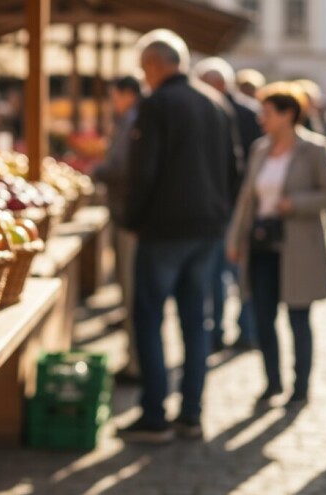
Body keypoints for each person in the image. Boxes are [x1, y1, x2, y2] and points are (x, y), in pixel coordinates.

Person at [117, 29, 240, 443]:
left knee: (149, 318)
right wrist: (219, 215)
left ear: (155, 64)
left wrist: (132, 220)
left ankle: (154, 414)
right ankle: (190, 414)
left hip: (164, 230)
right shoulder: (215, 101)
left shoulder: (157, 104)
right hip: (206, 229)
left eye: (144, 68)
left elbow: (143, 171)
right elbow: (234, 169)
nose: (144, 76)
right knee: (195, 321)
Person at [227, 82, 326, 407]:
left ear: (288, 114)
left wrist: (296, 203)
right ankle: (272, 382)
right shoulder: (260, 149)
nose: (261, 118)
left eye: (267, 112)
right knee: (263, 318)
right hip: (261, 245)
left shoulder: (314, 148)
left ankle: (300, 386)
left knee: (298, 318)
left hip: (298, 247)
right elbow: (247, 199)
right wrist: (235, 238)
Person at [194, 57, 262, 352]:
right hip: (222, 206)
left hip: (232, 205)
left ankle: (236, 331)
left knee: (232, 274)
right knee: (222, 275)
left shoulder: (242, 112)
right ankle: (228, 331)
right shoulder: (241, 111)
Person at [92, 76, 142, 381]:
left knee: (133, 289)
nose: (113, 101)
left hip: (128, 215)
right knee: (130, 288)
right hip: (126, 212)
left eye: (115, 95)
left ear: (128, 94)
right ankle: (136, 359)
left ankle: (136, 364)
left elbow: (121, 168)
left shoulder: (132, 120)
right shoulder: (128, 120)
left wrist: (97, 171)